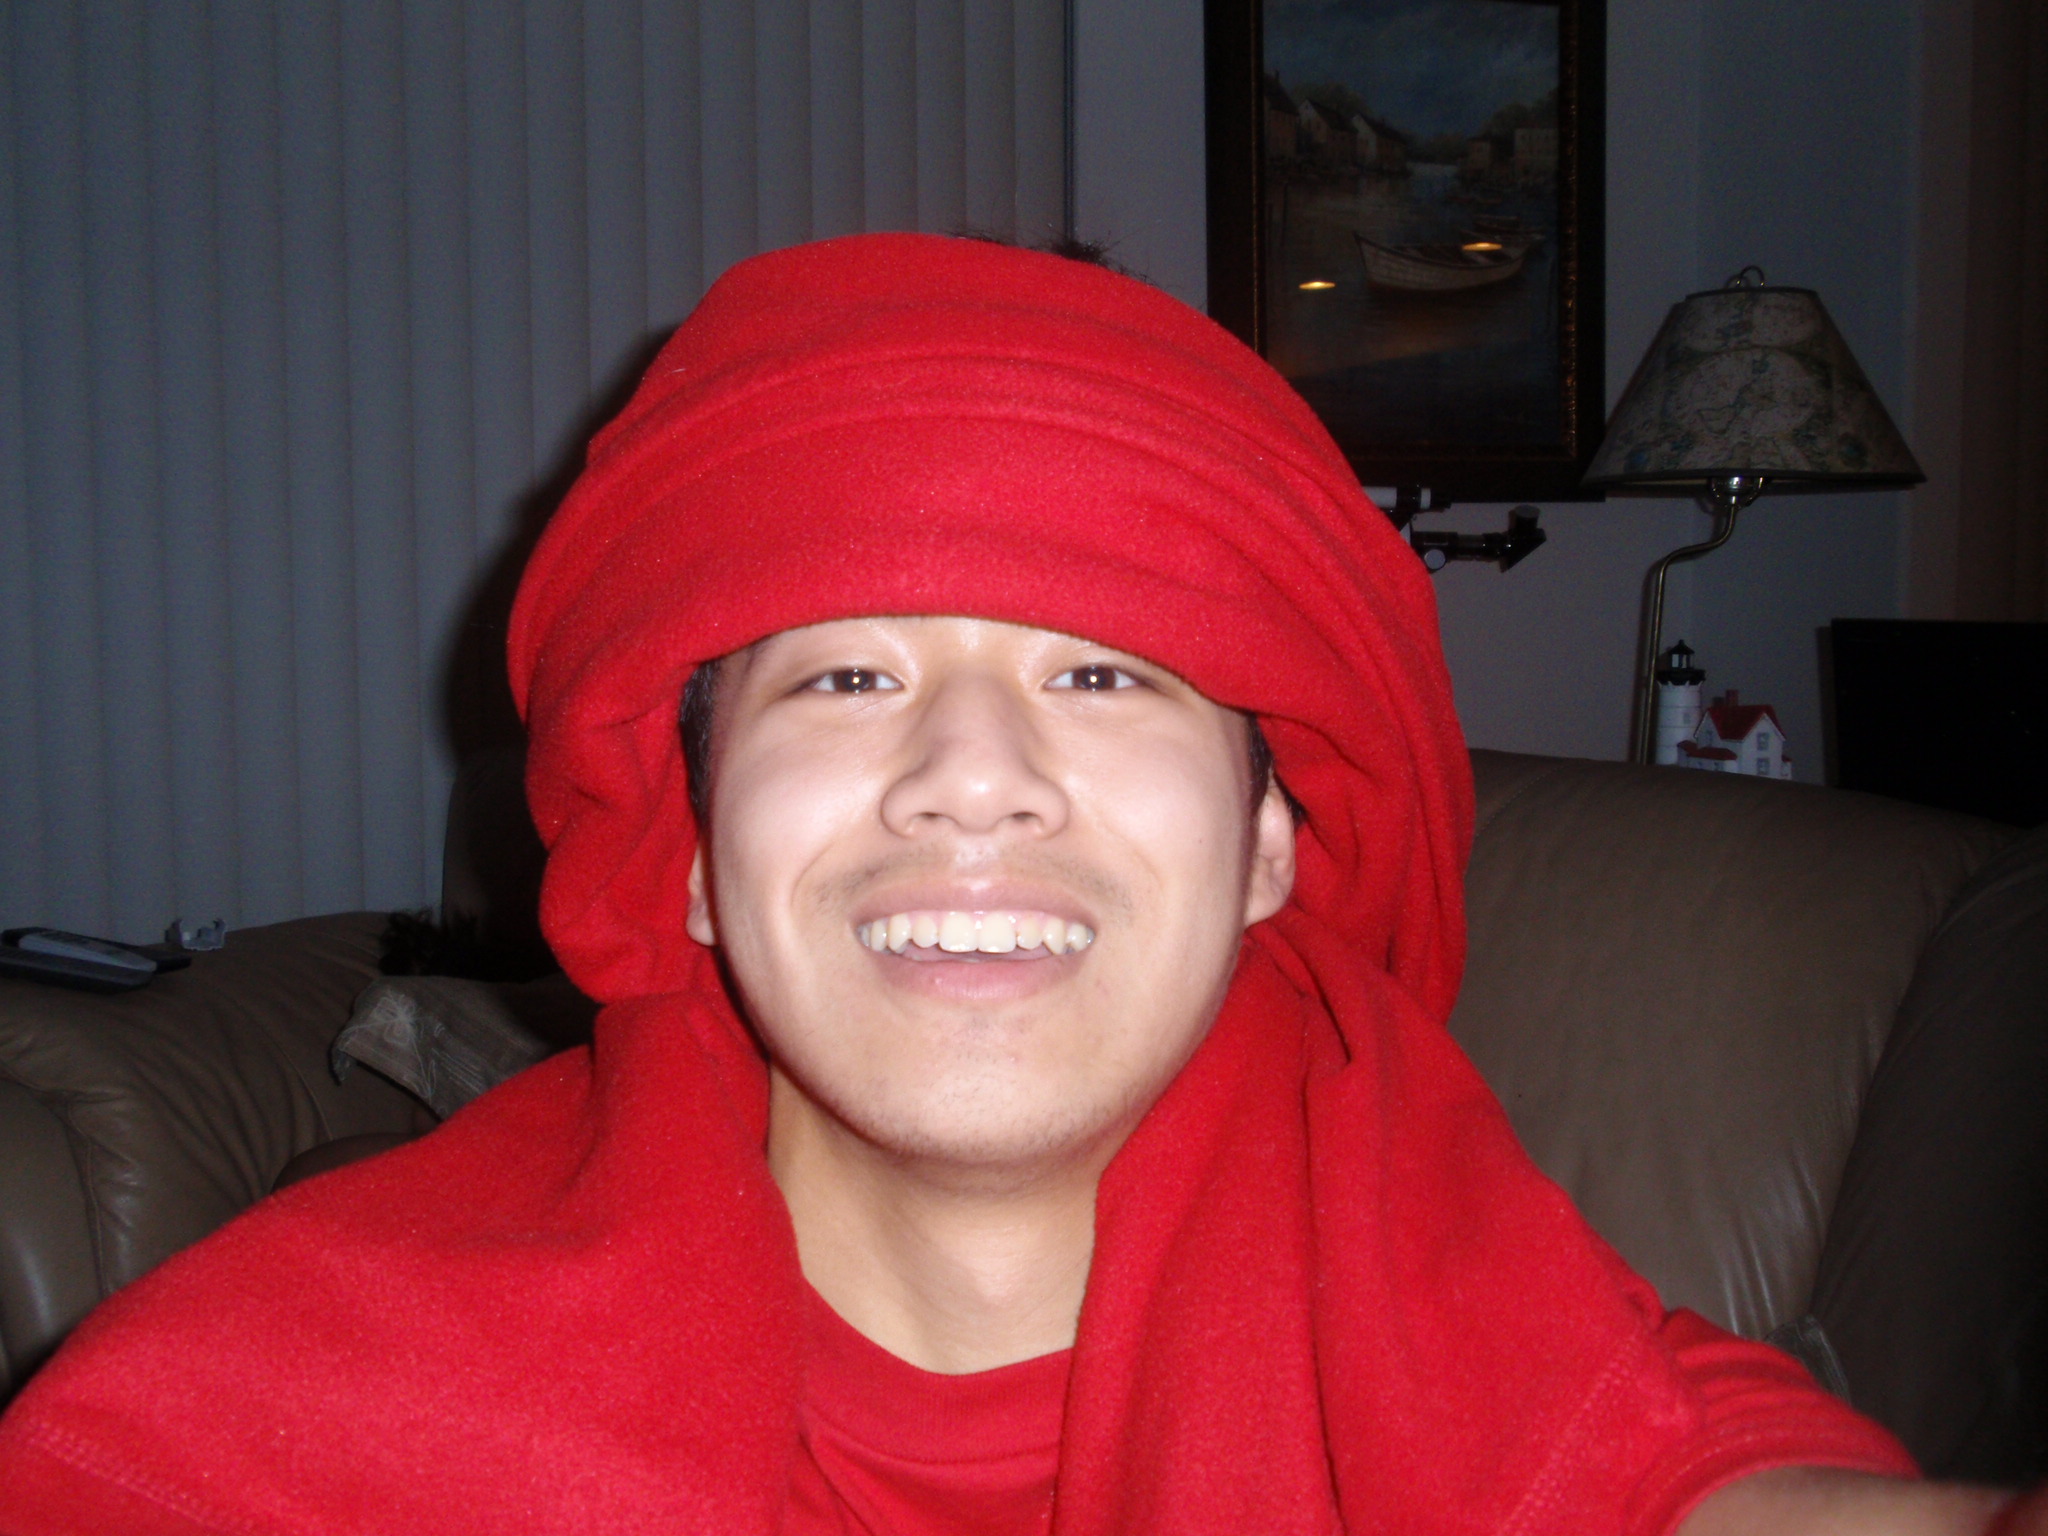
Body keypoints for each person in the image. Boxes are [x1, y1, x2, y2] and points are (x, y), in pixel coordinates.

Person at [0, 234, 2036, 1535]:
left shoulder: (1499, 1334)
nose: (971, 775)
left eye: (1104, 670)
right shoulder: (276, 1407)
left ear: (1270, 844)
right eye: (847, 675)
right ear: (689, 861)